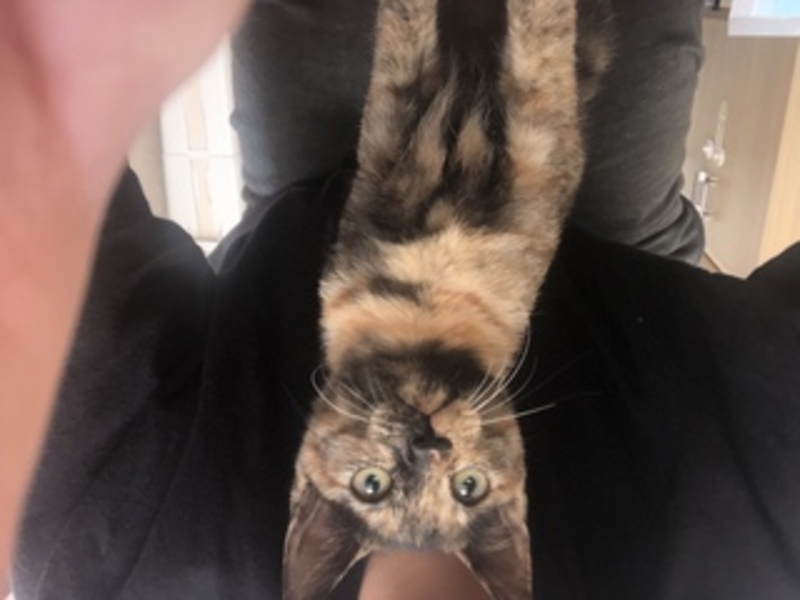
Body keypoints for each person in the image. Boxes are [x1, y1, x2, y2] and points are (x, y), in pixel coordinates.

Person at [3, 0, 799, 599]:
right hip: (604, 251)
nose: (427, 453)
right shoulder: (739, 548)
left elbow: (33, 133)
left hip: (323, 199)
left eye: (375, 485)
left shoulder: (118, 558)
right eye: (465, 485)